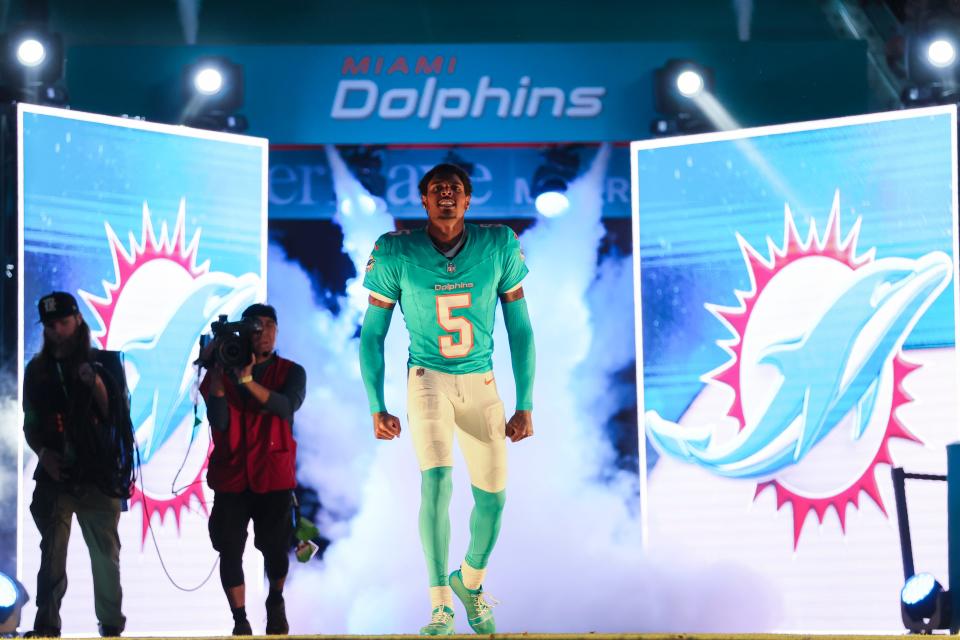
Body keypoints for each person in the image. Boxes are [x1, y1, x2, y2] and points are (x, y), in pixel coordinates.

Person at [359, 163, 536, 635]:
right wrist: (377, 403)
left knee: (494, 502)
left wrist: (526, 402)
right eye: (436, 189)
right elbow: (372, 335)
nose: (445, 196)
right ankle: (439, 602)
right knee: (436, 483)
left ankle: (469, 582)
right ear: (422, 200)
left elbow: (520, 328)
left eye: (454, 189)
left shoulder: (498, 244)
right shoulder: (396, 250)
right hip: (428, 379)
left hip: (481, 382)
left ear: (468, 199)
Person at [23, 291, 127, 638]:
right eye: (50, 326)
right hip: (57, 476)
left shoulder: (105, 363)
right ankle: (46, 626)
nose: (57, 331)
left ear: (78, 321)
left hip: (99, 476)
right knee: (52, 553)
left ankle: (111, 626)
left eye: (63, 323)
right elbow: (31, 424)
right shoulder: (37, 370)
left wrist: (93, 381)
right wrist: (43, 454)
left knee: (105, 556)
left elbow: (117, 416)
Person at [199, 303, 307, 636]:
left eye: (270, 325)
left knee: (276, 549)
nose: (264, 332)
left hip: (273, 476)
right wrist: (219, 377)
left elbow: (285, 406)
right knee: (229, 547)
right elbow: (219, 420)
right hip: (231, 476)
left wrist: (246, 381)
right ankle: (240, 620)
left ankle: (275, 600)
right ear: (245, 333)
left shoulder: (291, 371)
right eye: (256, 326)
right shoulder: (223, 370)